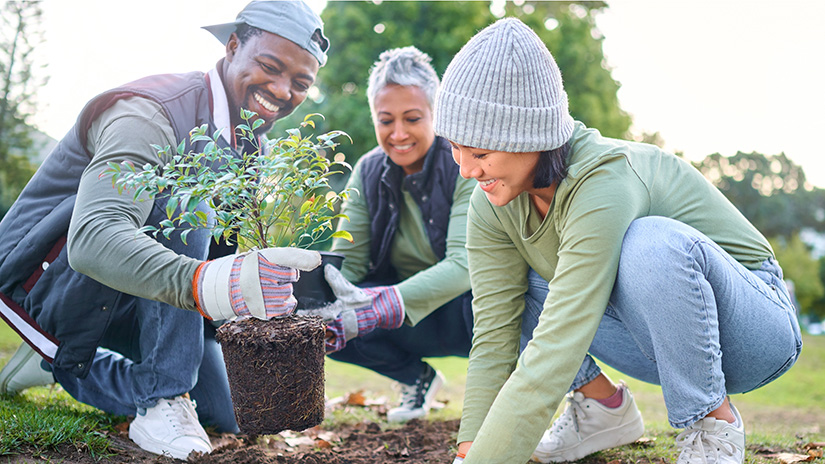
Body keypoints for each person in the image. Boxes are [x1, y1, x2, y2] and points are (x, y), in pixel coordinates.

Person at [434, 18, 803, 464]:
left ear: (529, 136)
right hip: (655, 344)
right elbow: (494, 334)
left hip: (755, 329)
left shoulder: (605, 179)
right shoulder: (492, 201)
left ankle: (713, 427)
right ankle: (602, 409)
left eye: (480, 153)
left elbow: (561, 336)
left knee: (649, 243)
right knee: (516, 291)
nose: (466, 170)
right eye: (455, 148)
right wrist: (470, 453)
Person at [0, 1, 329, 459]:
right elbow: (93, 239)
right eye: (270, 66)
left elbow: (221, 253)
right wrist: (207, 283)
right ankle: (161, 399)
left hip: (142, 296)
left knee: (231, 409)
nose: (281, 90)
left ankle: (61, 365)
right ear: (233, 46)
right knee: (186, 198)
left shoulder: (251, 146)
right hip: (47, 277)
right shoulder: (151, 111)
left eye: (300, 83)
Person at [302, 46, 476, 422]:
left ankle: (504, 395)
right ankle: (416, 378)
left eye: (412, 118)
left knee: (493, 299)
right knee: (325, 318)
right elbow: (347, 263)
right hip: (406, 317)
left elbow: (466, 264)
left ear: (436, 115)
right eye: (385, 120)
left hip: (469, 310)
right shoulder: (368, 172)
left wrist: (383, 305)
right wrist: (314, 307)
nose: (398, 133)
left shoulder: (464, 162)